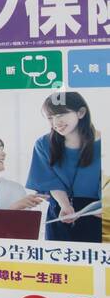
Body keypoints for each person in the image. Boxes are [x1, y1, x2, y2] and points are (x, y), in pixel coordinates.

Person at [27, 92, 102, 243]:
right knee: (59, 263)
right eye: (50, 117)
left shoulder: (103, 142)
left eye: (61, 114)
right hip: (61, 211)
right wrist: (65, 205)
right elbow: (49, 181)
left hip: (99, 212)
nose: (56, 122)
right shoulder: (43, 144)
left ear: (81, 113)